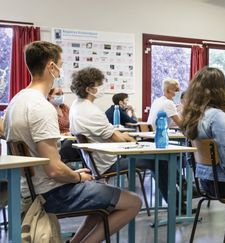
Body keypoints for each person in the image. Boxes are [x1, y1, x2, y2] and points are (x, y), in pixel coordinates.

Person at [3, 41, 141, 243]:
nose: (61, 70)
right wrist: (77, 176)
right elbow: (54, 171)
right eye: (60, 64)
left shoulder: (15, 102)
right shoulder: (41, 107)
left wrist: (77, 175)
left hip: (27, 189)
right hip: (50, 192)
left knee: (103, 200)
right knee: (133, 202)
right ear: (51, 67)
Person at [69, 67, 181, 211]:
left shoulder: (77, 106)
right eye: (99, 84)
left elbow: (113, 133)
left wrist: (127, 138)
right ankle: (178, 202)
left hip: (97, 161)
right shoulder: (91, 111)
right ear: (89, 88)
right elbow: (117, 138)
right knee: (160, 159)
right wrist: (132, 141)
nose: (102, 87)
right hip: (108, 163)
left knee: (156, 158)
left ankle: (178, 197)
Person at [181, 67, 225, 198]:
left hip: (205, 182)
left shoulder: (192, 116)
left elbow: (190, 159)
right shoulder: (217, 117)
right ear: (220, 90)